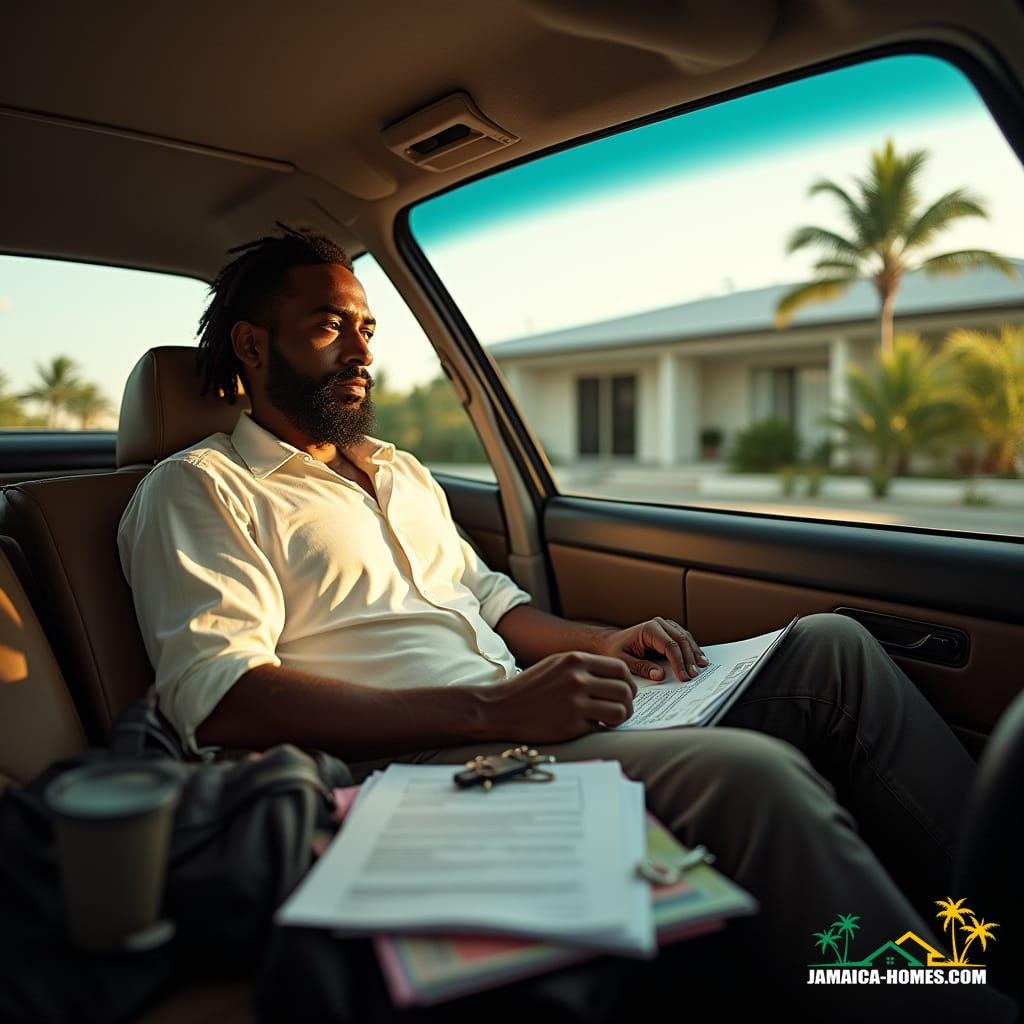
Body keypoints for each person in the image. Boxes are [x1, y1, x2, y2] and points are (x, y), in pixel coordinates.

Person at [117, 227, 1016, 1022]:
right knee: (750, 775)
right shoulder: (198, 490)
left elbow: (496, 606)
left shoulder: (397, 470)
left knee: (830, 645)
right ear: (252, 344)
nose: (360, 350)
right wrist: (496, 715)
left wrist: (604, 644)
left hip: (516, 721)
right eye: (327, 326)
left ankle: (995, 936)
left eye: (365, 328)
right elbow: (223, 700)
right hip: (421, 769)